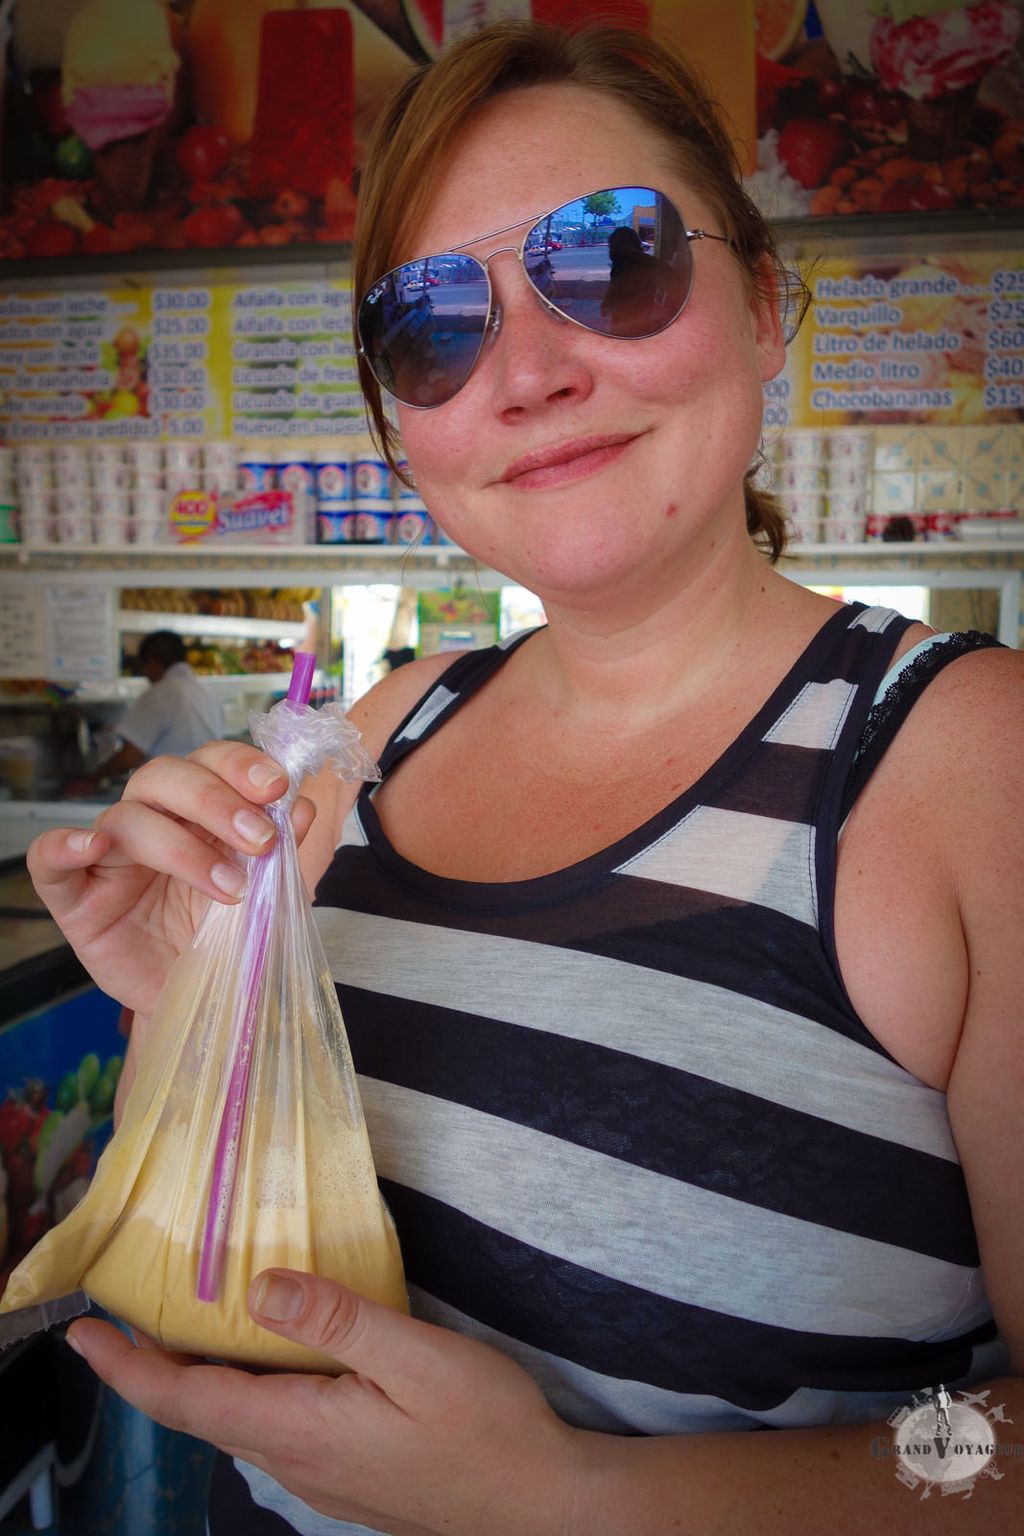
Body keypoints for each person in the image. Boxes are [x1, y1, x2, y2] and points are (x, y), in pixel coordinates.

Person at [26, 21, 1023, 1535]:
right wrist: (193, 999)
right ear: (399, 420)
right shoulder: (386, 723)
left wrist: (580, 1496)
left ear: (761, 299)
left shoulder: (966, 768)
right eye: (433, 322)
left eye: (611, 258)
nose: (532, 371)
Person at [67, 629, 224, 794]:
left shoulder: (160, 693)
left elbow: (128, 756)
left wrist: (93, 779)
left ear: (152, 662)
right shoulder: (207, 691)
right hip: (206, 788)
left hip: (171, 792)